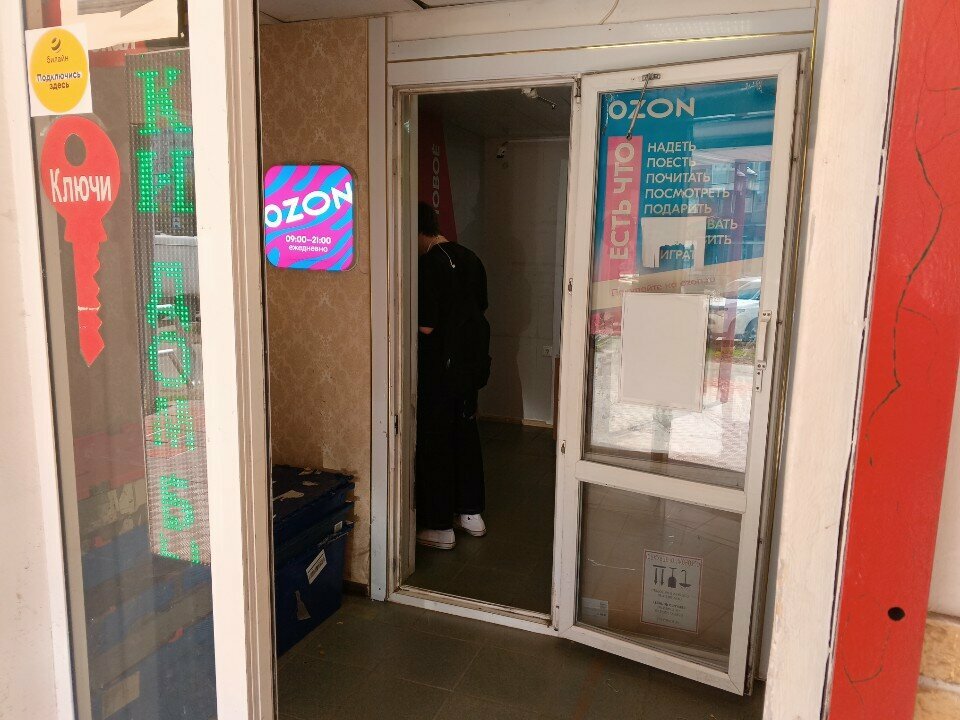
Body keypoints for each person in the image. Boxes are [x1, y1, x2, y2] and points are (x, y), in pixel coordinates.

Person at [415, 202, 491, 550]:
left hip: (439, 370)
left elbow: (427, 326)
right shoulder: (471, 258)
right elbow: (480, 309)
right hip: (470, 368)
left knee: (436, 443)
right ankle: (471, 514)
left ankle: (439, 527)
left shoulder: (430, 263)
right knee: (466, 435)